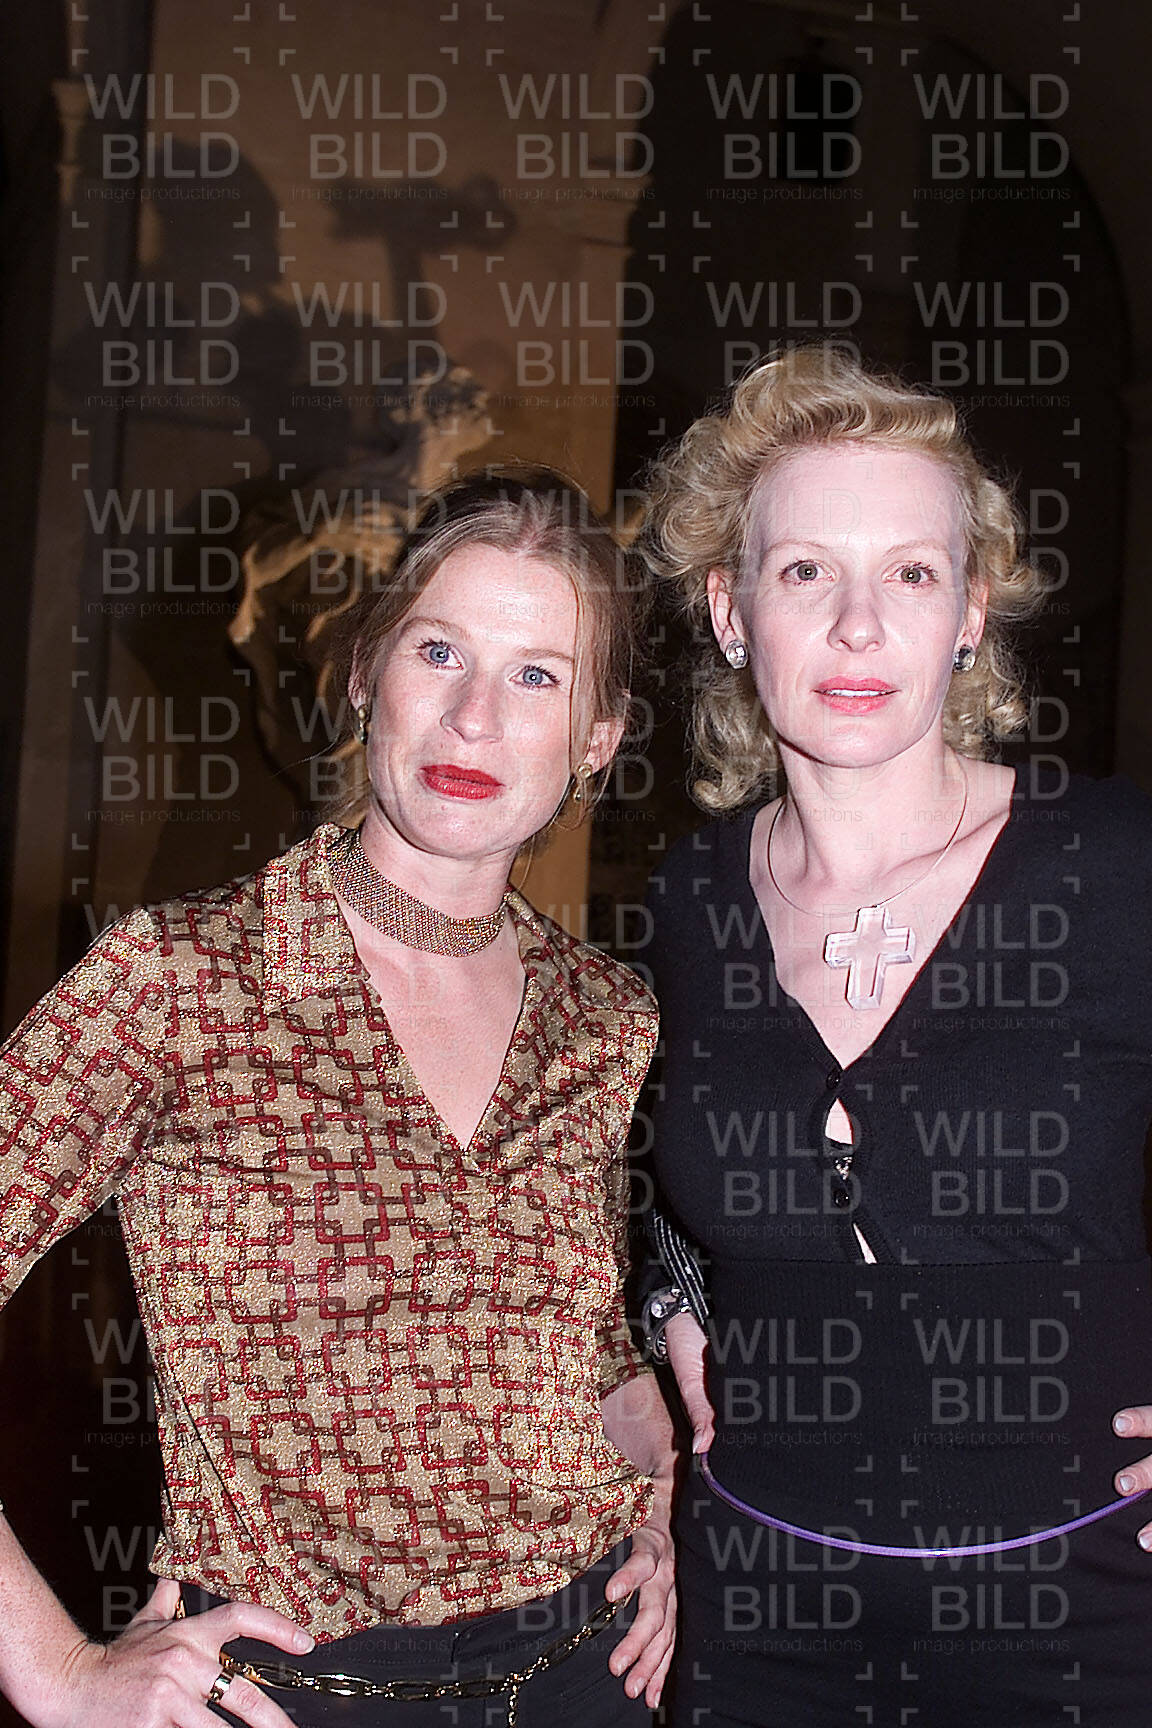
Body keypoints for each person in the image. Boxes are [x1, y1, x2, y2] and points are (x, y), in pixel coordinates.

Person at [0, 468, 675, 1727]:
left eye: (538, 676)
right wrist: (58, 1672)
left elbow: (584, 1341)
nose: (475, 716)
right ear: (366, 672)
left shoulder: (603, 1016)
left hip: (590, 1673)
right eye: (440, 651)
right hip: (295, 1690)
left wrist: (657, 1504)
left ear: (597, 737)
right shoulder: (181, 979)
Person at [637, 346, 1152, 1726]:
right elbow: (660, 1159)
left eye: (912, 574)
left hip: (1087, 1613)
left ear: (969, 613)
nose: (859, 626)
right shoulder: (688, 899)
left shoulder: (1112, 864)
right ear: (732, 610)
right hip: (757, 1616)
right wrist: (671, 1294)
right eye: (806, 570)